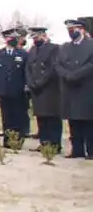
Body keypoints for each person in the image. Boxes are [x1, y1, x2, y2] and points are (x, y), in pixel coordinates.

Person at [54, 19, 93, 159]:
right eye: (69, 30)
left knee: (88, 122)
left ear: (81, 29)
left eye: (73, 29)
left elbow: (90, 65)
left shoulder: (90, 45)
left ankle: (91, 151)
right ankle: (77, 150)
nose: (71, 32)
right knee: (73, 122)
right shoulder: (65, 47)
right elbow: (58, 64)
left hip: (86, 88)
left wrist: (76, 75)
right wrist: (67, 75)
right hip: (69, 88)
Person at [0, 28, 31, 147]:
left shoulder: (23, 54)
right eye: (10, 37)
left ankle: (17, 141)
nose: (13, 39)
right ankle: (8, 141)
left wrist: (27, 87)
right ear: (5, 39)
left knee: (18, 116)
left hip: (18, 91)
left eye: (15, 37)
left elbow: (26, 72)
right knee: (6, 116)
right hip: (3, 90)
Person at [26, 26, 61, 153]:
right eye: (33, 38)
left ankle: (54, 144)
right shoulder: (33, 50)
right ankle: (44, 142)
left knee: (52, 117)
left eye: (37, 37)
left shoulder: (54, 48)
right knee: (41, 117)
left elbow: (52, 68)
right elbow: (28, 67)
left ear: (43, 36)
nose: (35, 40)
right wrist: (31, 82)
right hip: (36, 89)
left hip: (49, 89)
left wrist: (41, 82)